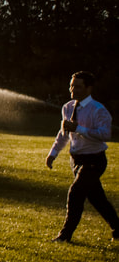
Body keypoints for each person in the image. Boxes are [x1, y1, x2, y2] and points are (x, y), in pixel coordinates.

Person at [46, 70, 119, 243]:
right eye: (72, 85)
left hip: (94, 160)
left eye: (78, 86)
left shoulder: (98, 110)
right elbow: (63, 133)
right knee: (97, 198)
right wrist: (53, 153)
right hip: (76, 160)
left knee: (76, 192)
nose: (73, 89)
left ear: (88, 88)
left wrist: (79, 129)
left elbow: (105, 134)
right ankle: (118, 227)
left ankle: (65, 235)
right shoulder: (67, 107)